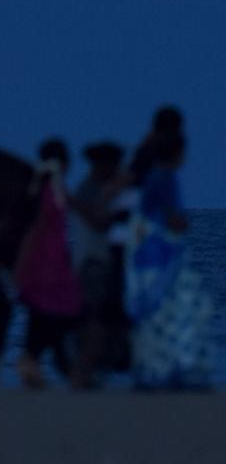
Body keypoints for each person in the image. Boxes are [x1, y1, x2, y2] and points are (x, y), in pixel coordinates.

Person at [124, 131, 212, 390]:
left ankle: (156, 371)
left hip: (152, 256)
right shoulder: (165, 179)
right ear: (176, 154)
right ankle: (172, 372)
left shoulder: (155, 178)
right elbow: (172, 219)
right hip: (160, 257)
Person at [14, 139, 83, 389]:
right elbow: (34, 230)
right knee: (51, 312)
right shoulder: (47, 193)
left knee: (47, 314)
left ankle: (34, 361)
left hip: (55, 260)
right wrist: (22, 265)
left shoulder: (54, 189)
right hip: (46, 263)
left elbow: (79, 207)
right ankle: (52, 363)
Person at [71, 142, 129, 385]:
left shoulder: (97, 189)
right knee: (97, 320)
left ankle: (90, 371)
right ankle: (83, 372)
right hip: (93, 265)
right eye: (113, 165)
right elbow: (98, 221)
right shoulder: (90, 191)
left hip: (99, 264)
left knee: (100, 320)